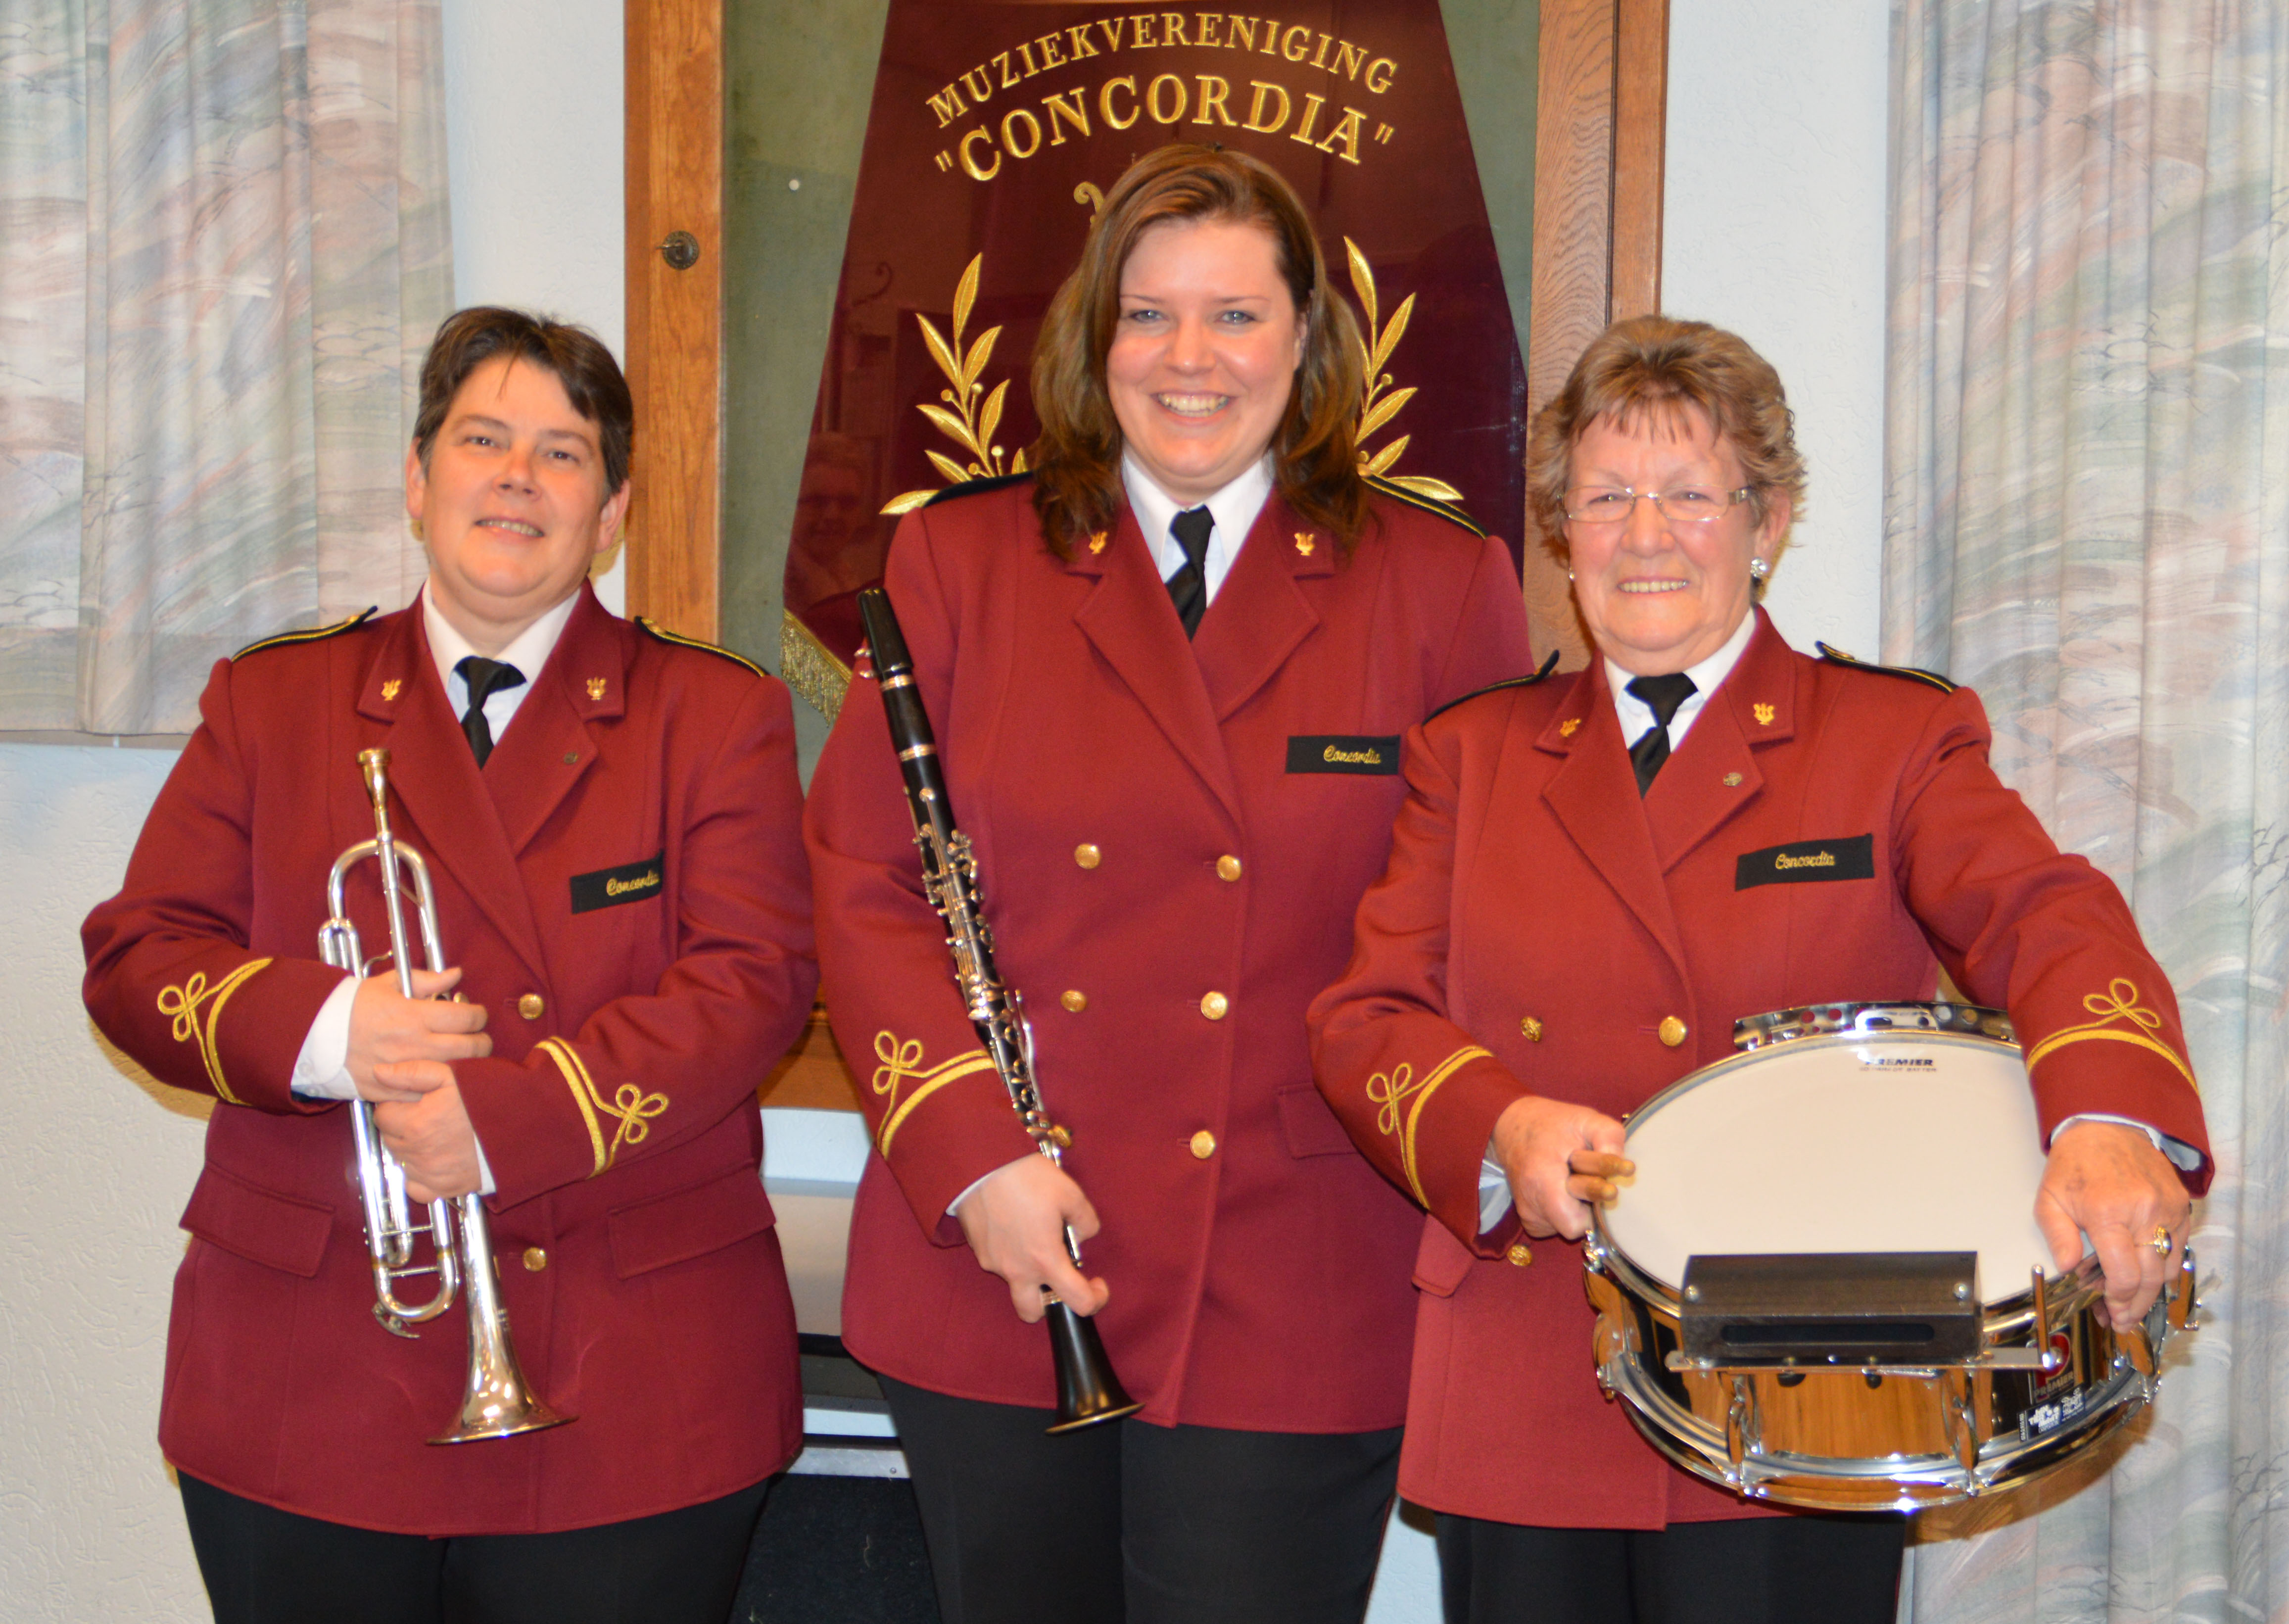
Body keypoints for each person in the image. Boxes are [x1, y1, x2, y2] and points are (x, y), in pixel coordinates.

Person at [1307, 315, 2212, 1624]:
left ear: (1767, 521)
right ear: (1561, 530)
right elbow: (1368, 1016)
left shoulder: (1890, 739)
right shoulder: (1473, 753)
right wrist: (1495, 1124)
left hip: (1813, 1379)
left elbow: (2044, 915)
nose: (1645, 535)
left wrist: (2108, 1120)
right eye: (1604, 497)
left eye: (1690, 494)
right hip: (1528, 1366)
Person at [804, 144, 1534, 1624]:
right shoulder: (960, 559)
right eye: (1147, 314)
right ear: (1096, 340)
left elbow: (1482, 927)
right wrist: (974, 1160)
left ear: (1307, 338)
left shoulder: (1437, 583)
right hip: (1002, 1249)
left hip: (1292, 1270)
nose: (1188, 357)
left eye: (1235, 314)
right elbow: (866, 884)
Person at [81, 307, 817, 1624]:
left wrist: (507, 1123)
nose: (518, 479)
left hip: (631, 1380)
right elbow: (138, 960)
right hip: (313, 1376)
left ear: (612, 511)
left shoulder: (714, 713)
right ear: (418, 480)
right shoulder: (274, 699)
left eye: (562, 453)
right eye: (483, 441)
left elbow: (754, 982)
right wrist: (331, 1030)